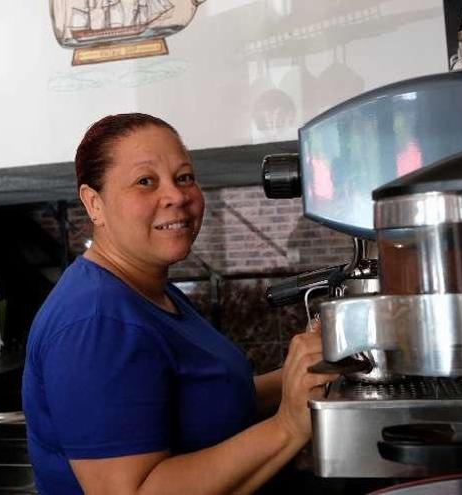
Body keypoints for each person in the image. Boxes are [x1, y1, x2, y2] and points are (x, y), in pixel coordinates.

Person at [22, 113, 337, 494]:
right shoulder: (96, 322)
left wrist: (307, 374)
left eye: (184, 177)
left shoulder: (148, 291)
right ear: (94, 204)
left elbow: (206, 403)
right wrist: (286, 427)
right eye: (145, 182)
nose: (175, 196)